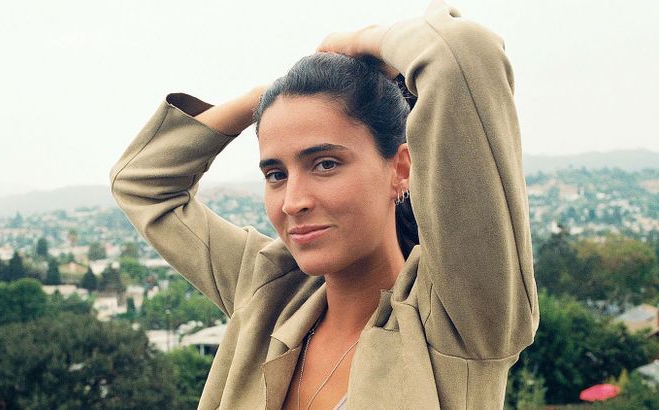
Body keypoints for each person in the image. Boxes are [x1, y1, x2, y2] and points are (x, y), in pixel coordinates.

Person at [110, 0, 539, 408]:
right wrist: (272, 98)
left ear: (400, 169)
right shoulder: (270, 292)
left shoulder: (460, 316)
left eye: (326, 164)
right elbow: (141, 183)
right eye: (276, 174)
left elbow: (461, 51)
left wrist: (358, 43)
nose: (293, 202)